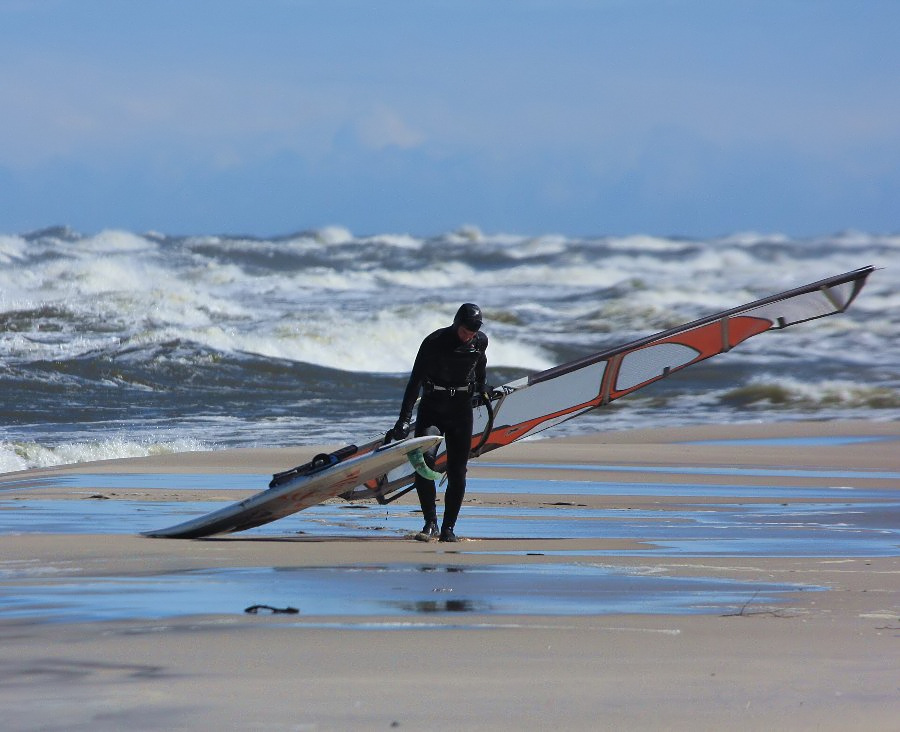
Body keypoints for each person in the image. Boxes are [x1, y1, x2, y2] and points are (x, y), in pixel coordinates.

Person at [392, 303, 488, 542]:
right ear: (456, 324)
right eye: (466, 330)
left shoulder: (480, 341)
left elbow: (481, 365)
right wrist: (403, 421)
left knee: (458, 470)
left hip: (460, 411)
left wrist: (482, 389)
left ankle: (448, 528)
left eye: (473, 332)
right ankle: (430, 522)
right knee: (424, 463)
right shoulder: (434, 342)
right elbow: (414, 383)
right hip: (433, 408)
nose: (469, 336)